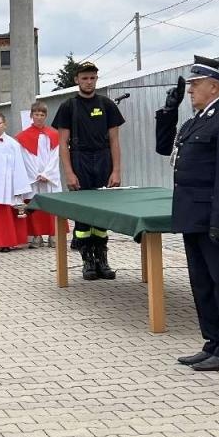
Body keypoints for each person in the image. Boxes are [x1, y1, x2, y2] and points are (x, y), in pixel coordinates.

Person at [155, 57, 219, 372]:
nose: (190, 91)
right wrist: (168, 112)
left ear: (214, 86)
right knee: (202, 283)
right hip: (192, 214)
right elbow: (162, 147)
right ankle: (212, 342)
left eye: (195, 85)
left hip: (215, 215)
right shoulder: (197, 119)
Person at [58, 61, 125, 281]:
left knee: (102, 214)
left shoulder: (107, 105)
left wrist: (116, 171)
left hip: (103, 159)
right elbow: (63, 143)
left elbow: (114, 141)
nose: (88, 82)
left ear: (97, 79)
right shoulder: (69, 106)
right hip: (80, 159)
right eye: (84, 78)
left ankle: (102, 260)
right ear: (76, 80)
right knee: (84, 214)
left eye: (92, 78)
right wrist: (69, 172)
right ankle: (87, 261)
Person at [0, 114, 38, 252]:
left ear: (5, 124)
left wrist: (19, 188)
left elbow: (19, 166)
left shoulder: (13, 144)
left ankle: (5, 243)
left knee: (5, 217)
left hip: (7, 186)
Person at [16, 102, 63, 248]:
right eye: (36, 114)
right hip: (34, 178)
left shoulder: (53, 134)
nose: (39, 117)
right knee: (34, 206)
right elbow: (26, 158)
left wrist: (47, 174)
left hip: (49, 177)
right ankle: (36, 236)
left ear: (46, 116)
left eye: (42, 115)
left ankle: (53, 235)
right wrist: (36, 175)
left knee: (52, 206)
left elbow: (55, 156)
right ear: (31, 115)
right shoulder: (23, 137)